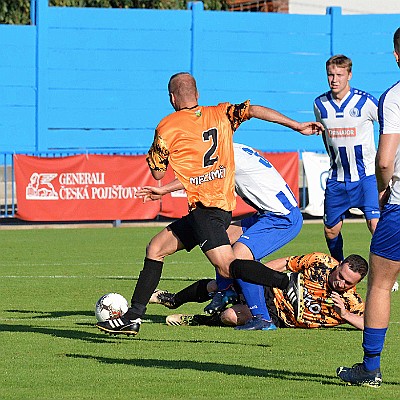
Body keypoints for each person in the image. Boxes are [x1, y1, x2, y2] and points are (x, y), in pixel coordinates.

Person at [96, 72, 323, 336]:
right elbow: (254, 109)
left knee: (229, 263)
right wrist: (296, 126)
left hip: (213, 212)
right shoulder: (221, 115)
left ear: (171, 98)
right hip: (214, 211)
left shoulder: (168, 126)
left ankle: (284, 283)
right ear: (198, 94)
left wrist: (160, 168)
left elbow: (158, 170)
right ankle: (133, 317)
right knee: (156, 247)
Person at [141, 142, 304, 331]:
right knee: (219, 238)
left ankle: (262, 318)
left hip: (282, 217)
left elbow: (199, 178)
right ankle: (224, 290)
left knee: (239, 258)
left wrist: (163, 189)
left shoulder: (223, 155)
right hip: (268, 213)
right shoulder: (235, 148)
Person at [336, 28, 400, 388]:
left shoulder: (393, 97)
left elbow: (385, 158)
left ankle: (370, 369)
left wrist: (383, 190)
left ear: (396, 56)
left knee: (379, 284)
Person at [154, 252, 368, 330]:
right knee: (220, 284)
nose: (341, 284)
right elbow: (286, 263)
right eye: (340, 276)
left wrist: (345, 315)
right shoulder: (321, 261)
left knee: (229, 316)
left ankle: (198, 320)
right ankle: (173, 299)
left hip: (278, 317)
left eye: (348, 283)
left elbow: (372, 325)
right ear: (338, 265)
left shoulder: (350, 301)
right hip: (272, 290)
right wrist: (256, 275)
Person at [313, 55, 380, 262]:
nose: (334, 79)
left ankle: (385, 274)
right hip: (337, 179)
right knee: (330, 230)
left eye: (339, 75)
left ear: (349, 75)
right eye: (330, 75)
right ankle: (338, 267)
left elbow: (389, 127)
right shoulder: (319, 104)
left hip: (366, 177)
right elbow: (325, 136)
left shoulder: (366, 101)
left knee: (375, 225)